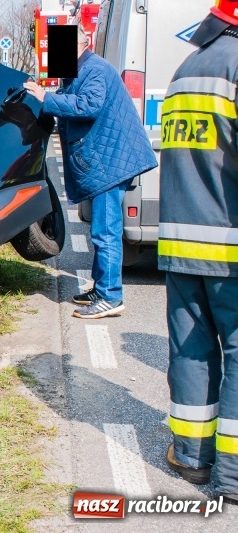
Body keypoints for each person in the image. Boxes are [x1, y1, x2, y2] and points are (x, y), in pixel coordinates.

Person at [158, 1, 238, 504]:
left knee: (193, 350)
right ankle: (231, 476)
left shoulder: (188, 68)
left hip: (179, 240)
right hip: (229, 244)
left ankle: (191, 457)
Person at [24, 24, 156, 319]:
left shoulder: (94, 69)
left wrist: (46, 99)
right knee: (101, 228)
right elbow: (68, 103)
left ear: (76, 47)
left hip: (111, 162)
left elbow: (88, 105)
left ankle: (111, 296)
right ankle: (101, 287)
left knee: (105, 231)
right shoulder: (80, 70)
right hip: (107, 160)